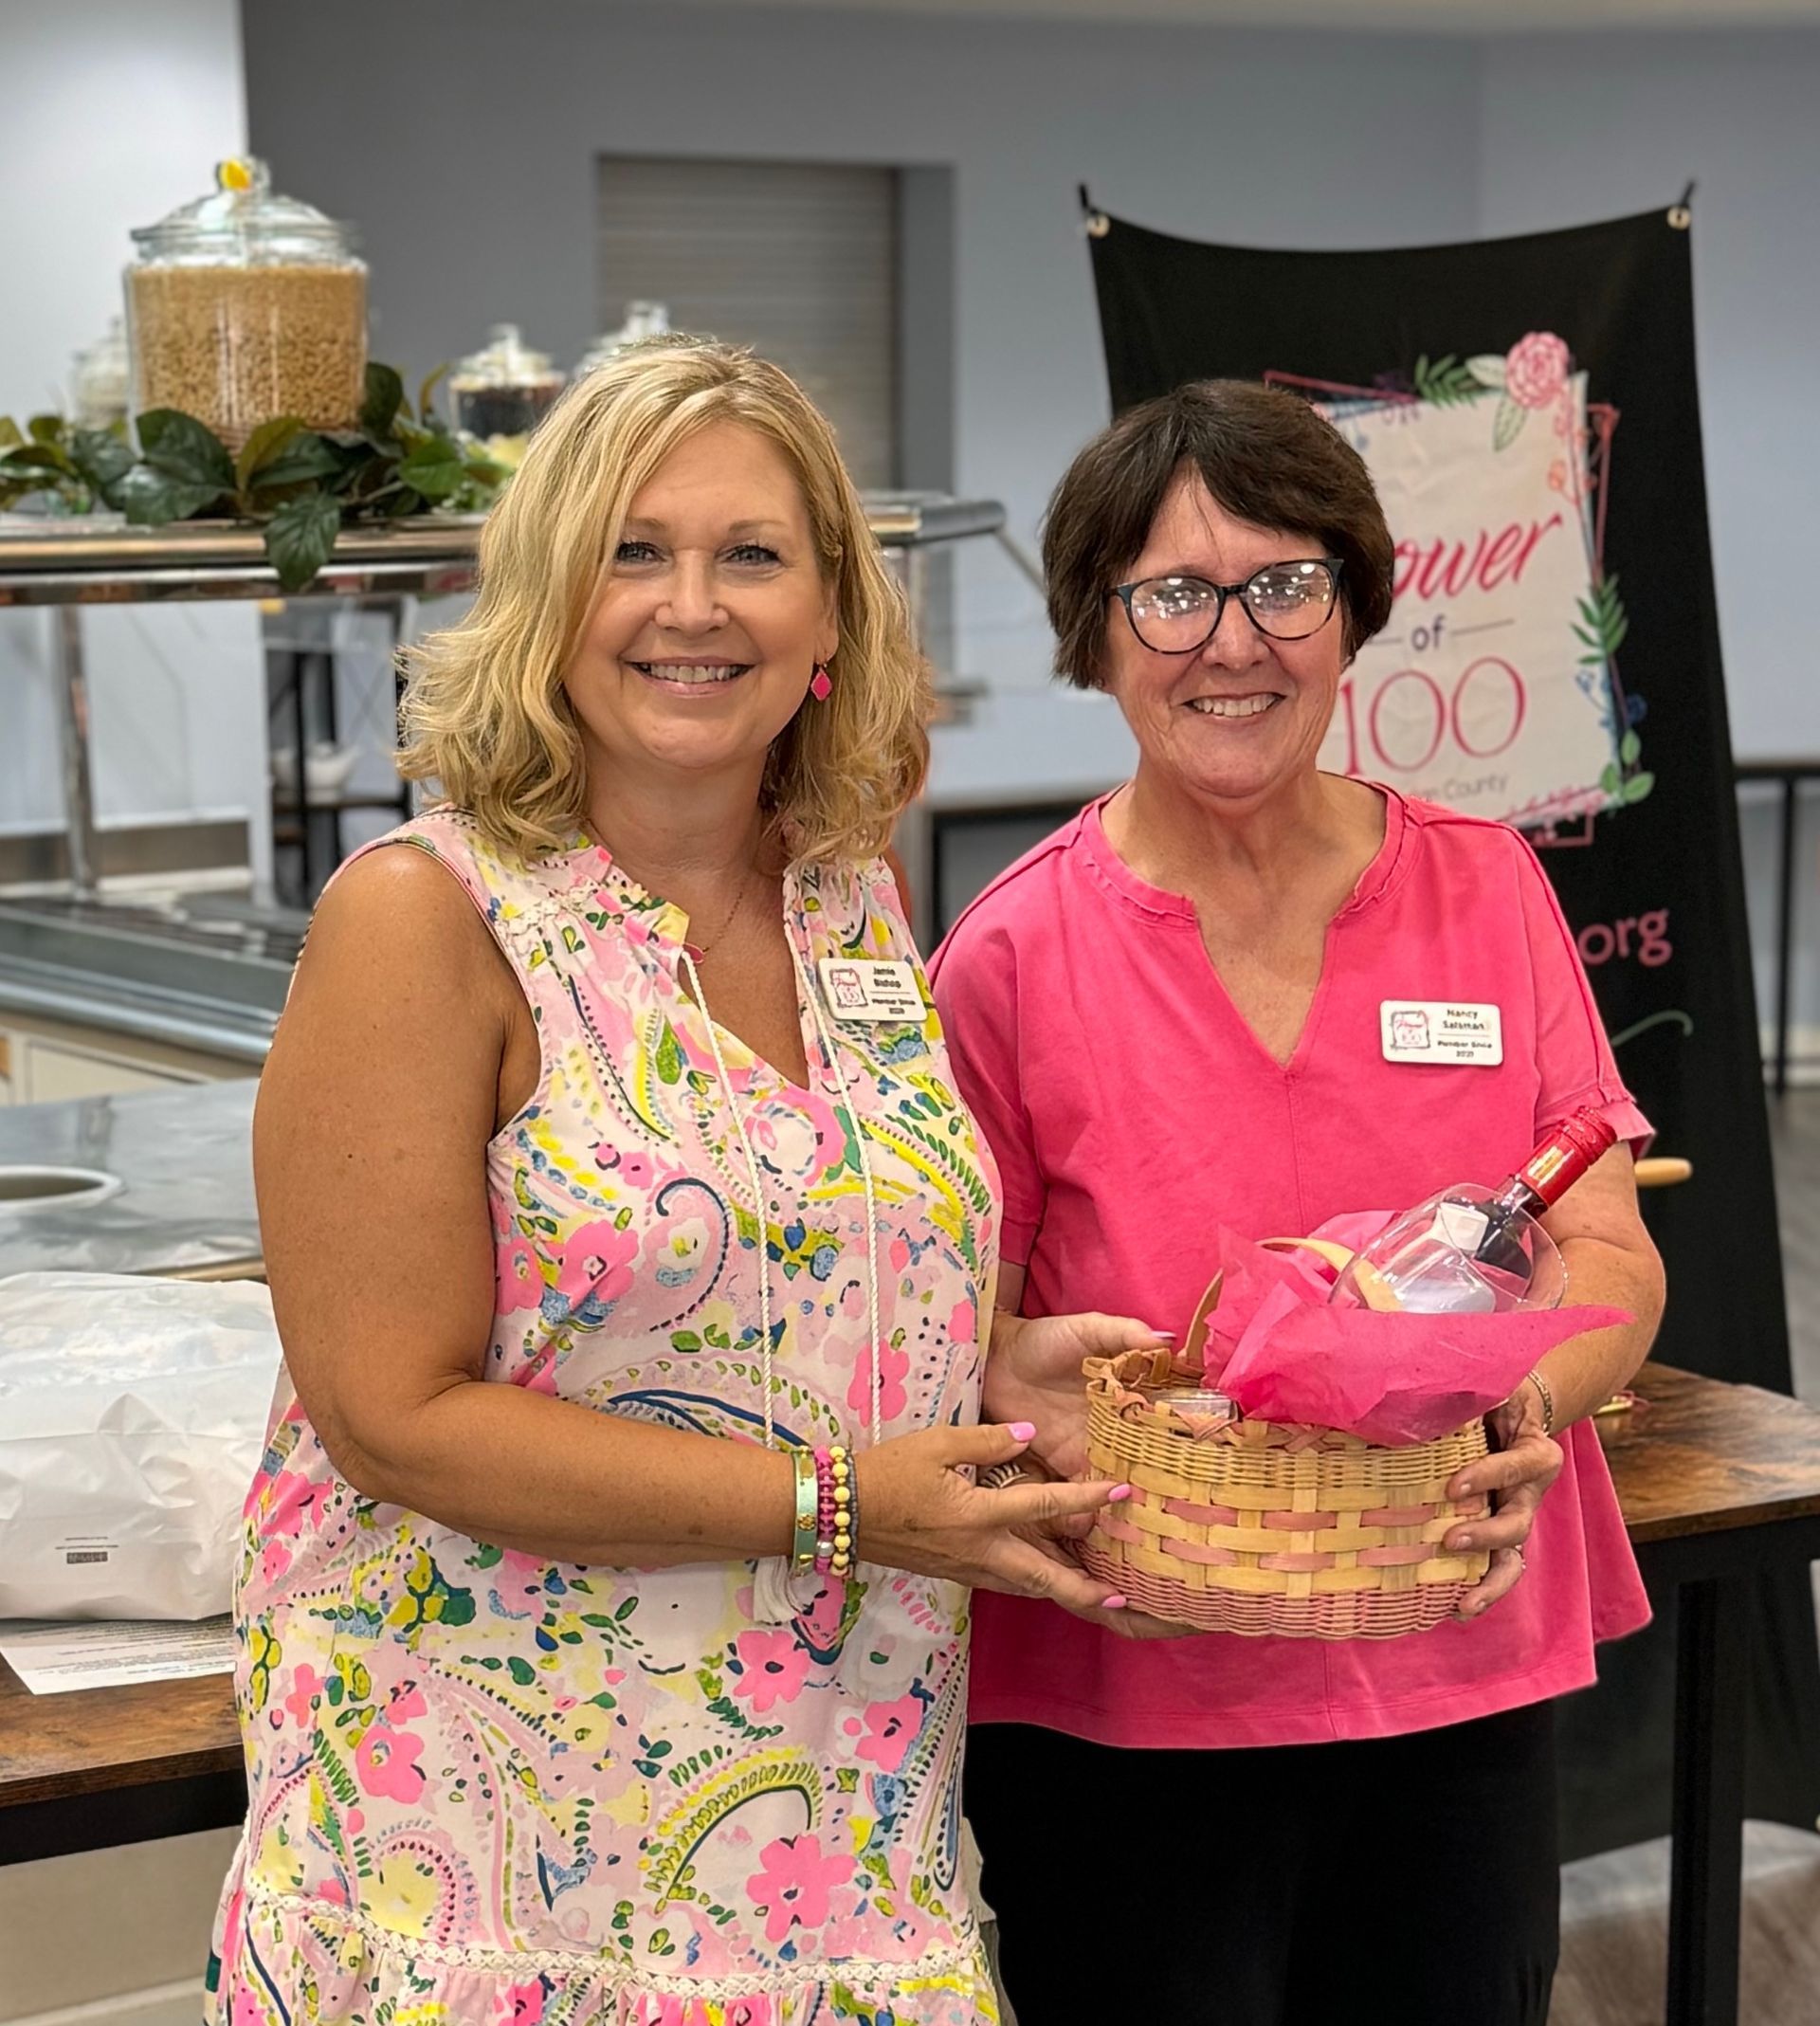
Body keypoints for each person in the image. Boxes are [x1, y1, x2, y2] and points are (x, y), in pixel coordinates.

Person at [208, 338, 1167, 2026]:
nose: (690, 603)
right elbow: (391, 1414)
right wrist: (839, 1501)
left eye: (752, 554)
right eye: (633, 551)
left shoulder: (851, 904)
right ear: (550, 596)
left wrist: (993, 1369)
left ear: (828, 617)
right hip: (498, 1864)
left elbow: (808, 1277)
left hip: (842, 1841)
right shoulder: (423, 919)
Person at [928, 379, 1666, 2026]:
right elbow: (932, 1319)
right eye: (1172, 594)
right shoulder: (1010, 955)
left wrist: (1517, 1411)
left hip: (1458, 1647)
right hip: (1137, 1682)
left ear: (1352, 614)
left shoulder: (1487, 887)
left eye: (1285, 584)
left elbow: (1610, 1248)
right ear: (1098, 634)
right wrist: (1009, 1363)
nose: (1232, 640)